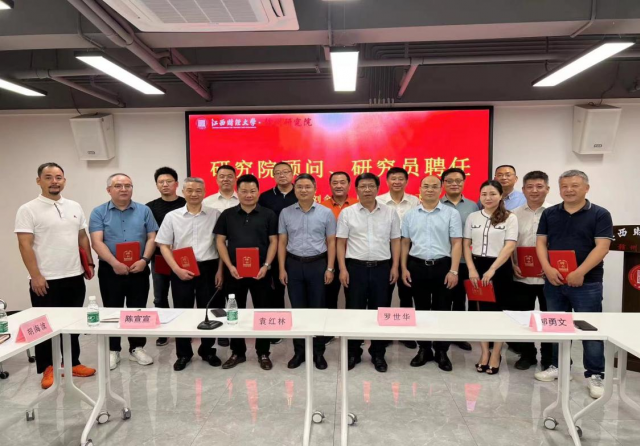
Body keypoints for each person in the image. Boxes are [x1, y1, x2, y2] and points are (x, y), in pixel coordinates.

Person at [15, 163, 96, 389]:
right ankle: (48, 367)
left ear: (64, 181)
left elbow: (82, 236)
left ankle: (72, 362)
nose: (54, 181)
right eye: (48, 177)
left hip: (74, 276)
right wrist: (35, 276)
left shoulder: (74, 206)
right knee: (45, 327)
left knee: (73, 324)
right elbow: (24, 244)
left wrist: (89, 263)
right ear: (38, 181)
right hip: (46, 279)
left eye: (58, 177)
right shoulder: (28, 209)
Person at [535, 170, 612, 399]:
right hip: (554, 280)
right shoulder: (550, 213)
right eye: (564, 186)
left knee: (590, 329)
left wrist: (580, 272)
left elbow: (602, 247)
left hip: (587, 282)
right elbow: (541, 243)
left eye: (574, 185)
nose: (569, 190)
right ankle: (559, 366)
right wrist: (547, 268)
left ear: (586, 188)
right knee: (556, 326)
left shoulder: (600, 214)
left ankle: (595, 374)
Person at [89, 173, 158, 370]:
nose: (124, 189)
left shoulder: (144, 210)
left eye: (128, 185)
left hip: (139, 267)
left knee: (138, 309)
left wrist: (145, 260)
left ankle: (137, 348)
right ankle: (113, 350)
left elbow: (152, 237)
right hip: (110, 270)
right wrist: (114, 263)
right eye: (118, 186)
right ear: (109, 190)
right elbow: (96, 242)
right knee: (112, 309)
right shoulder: (99, 212)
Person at [155, 177, 224, 371]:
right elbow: (164, 245)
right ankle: (183, 354)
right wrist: (176, 269)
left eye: (198, 190)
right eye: (190, 190)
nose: (194, 194)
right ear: (183, 192)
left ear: (204, 192)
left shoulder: (215, 214)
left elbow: (221, 245)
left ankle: (207, 350)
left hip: (209, 268)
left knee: (208, 312)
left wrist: (220, 270)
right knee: (182, 312)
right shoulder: (172, 216)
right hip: (181, 268)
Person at [337, 173, 401, 373]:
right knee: (354, 311)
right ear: (356, 189)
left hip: (382, 268)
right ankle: (353, 352)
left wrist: (395, 266)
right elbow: (340, 242)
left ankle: (378, 353)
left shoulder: (390, 212)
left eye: (371, 186)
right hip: (355, 268)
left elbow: (395, 241)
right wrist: (343, 269)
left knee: (380, 312)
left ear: (377, 188)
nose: (367, 190)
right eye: (363, 186)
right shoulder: (347, 213)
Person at [214, 174, 278, 370]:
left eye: (252, 191)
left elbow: (274, 241)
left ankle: (263, 352)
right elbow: (220, 241)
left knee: (263, 312)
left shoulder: (268, 214)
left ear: (258, 192)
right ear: (238, 192)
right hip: (234, 273)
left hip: (261, 273)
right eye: (244, 191)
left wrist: (266, 266)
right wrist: (229, 266)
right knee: (235, 312)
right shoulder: (227, 215)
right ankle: (237, 352)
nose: (248, 195)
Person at [401, 175, 462, 372]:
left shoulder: (451, 213)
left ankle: (441, 351)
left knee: (442, 309)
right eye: (426, 186)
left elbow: (456, 243)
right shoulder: (410, 215)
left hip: (443, 266)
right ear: (420, 189)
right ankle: (424, 349)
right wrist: (403, 267)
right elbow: (405, 243)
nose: (430, 189)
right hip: (416, 266)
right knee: (420, 309)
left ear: (440, 189)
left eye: (434, 186)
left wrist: (454, 270)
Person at [279, 173, 336, 370]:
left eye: (307, 187)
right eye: (299, 187)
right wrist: (282, 268)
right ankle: (300, 352)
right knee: (297, 310)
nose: (303, 190)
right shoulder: (286, 212)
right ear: (294, 189)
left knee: (318, 309)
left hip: (318, 264)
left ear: (315, 189)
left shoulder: (326, 213)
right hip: (293, 264)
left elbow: (331, 242)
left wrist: (330, 268)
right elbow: (282, 242)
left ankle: (318, 353)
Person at [464, 180, 518, 375]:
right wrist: (471, 269)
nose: (488, 198)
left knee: (499, 313)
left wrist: (493, 269)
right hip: (477, 267)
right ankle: (484, 352)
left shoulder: (510, 217)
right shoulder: (473, 217)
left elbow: (510, 245)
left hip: (500, 268)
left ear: (501, 196)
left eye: (493, 194)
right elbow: (466, 244)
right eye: (484, 194)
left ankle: (496, 353)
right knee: (481, 313)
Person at [510, 171, 554, 371]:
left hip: (549, 276)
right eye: (530, 187)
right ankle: (527, 355)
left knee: (549, 317)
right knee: (523, 317)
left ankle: (549, 357)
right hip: (521, 275)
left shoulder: (556, 213)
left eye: (539, 186)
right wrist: (512, 264)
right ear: (523, 190)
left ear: (547, 189)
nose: (534, 190)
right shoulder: (513, 215)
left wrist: (550, 267)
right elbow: (509, 244)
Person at [377, 167, 420, 349]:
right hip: (384, 250)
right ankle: (383, 334)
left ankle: (406, 333)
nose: (397, 182)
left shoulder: (415, 201)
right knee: (384, 294)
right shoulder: (379, 201)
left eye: (400, 178)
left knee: (407, 293)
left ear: (406, 181)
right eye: (393, 178)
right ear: (387, 181)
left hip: (410, 250)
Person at [146, 167, 186, 347]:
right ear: (156, 185)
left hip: (183, 256)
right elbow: (149, 233)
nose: (165, 185)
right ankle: (164, 331)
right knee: (160, 296)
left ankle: (183, 330)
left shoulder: (186, 203)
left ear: (176, 184)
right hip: (159, 257)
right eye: (161, 182)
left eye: (169, 181)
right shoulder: (150, 207)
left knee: (182, 296)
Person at [258, 162, 298, 345]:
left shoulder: (300, 193)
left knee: (299, 292)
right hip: (273, 250)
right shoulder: (265, 197)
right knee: (275, 291)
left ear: (292, 173)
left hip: (297, 251)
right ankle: (277, 328)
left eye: (286, 172)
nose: (282, 175)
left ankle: (302, 328)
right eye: (278, 173)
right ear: (273, 176)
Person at [440, 167, 479, 351]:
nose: (454, 184)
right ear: (443, 184)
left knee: (462, 299)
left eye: (458, 181)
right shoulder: (437, 205)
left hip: (467, 261)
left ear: (464, 183)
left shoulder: (473, 206)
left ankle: (459, 334)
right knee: (444, 299)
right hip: (444, 260)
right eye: (449, 181)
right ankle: (443, 334)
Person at [201, 164, 239, 348]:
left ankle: (235, 328)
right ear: (216, 179)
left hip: (237, 256)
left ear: (235, 179)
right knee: (216, 294)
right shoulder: (207, 202)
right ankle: (221, 330)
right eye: (222, 176)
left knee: (233, 295)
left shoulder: (243, 199)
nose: (226, 179)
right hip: (214, 254)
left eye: (229, 176)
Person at [321, 171, 357, 313]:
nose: (339, 186)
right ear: (330, 185)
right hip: (328, 259)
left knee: (353, 297)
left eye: (342, 182)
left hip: (352, 257)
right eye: (335, 183)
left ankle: (350, 327)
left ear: (349, 185)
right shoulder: (322, 207)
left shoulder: (358, 205)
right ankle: (329, 327)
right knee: (328, 297)